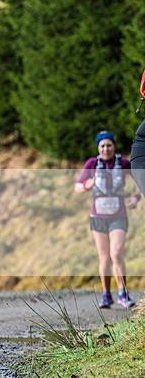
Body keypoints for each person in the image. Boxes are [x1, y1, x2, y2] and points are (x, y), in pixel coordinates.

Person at [75, 131, 139, 308]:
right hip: (98, 217)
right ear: (98, 147)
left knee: (116, 253)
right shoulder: (92, 164)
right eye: (102, 146)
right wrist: (86, 185)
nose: (106, 149)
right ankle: (106, 295)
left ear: (113, 146)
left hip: (119, 216)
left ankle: (123, 294)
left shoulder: (123, 163)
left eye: (109, 145)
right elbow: (77, 186)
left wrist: (136, 197)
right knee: (104, 258)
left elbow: (139, 179)